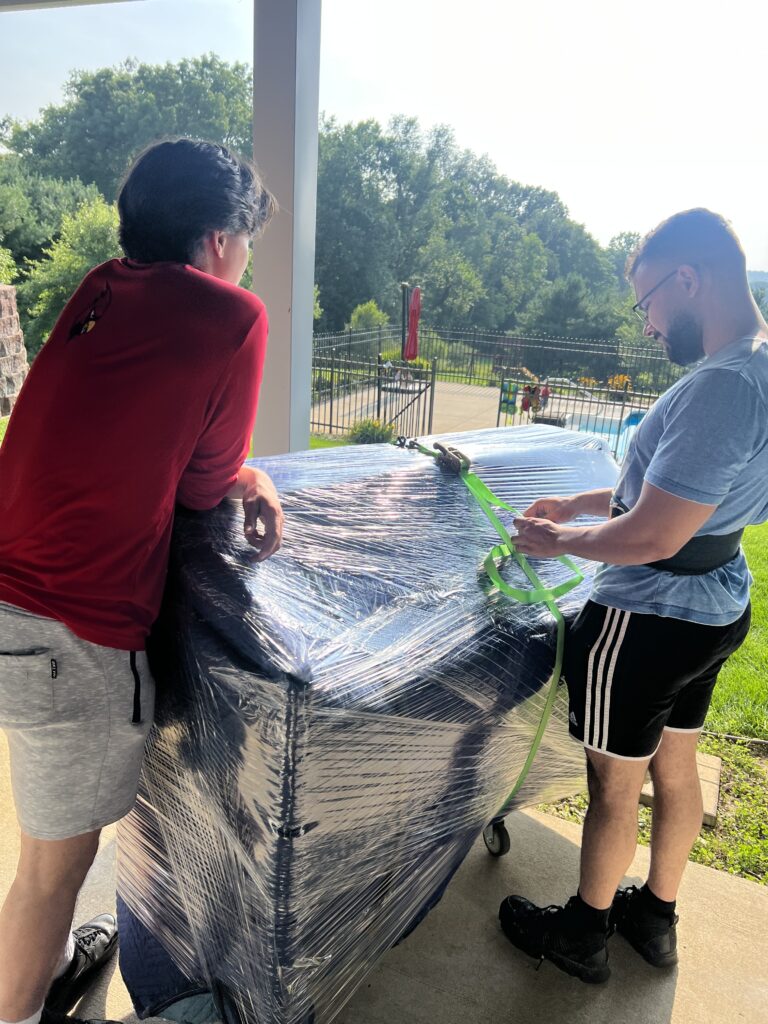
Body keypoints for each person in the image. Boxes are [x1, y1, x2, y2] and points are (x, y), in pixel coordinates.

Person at [0, 139, 284, 1024]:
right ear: (216, 237)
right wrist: (250, 476)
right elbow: (204, 483)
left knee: (47, 848)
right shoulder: (231, 314)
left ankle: (44, 978)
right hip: (72, 629)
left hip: (12, 594)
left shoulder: (98, 285)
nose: (245, 261)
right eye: (244, 241)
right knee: (54, 869)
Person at [498, 209, 768, 983]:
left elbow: (653, 535)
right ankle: (656, 916)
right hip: (716, 608)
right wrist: (578, 508)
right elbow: (672, 493)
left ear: (689, 279)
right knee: (676, 768)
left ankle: (582, 933)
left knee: (614, 786)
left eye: (647, 300)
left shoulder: (721, 387)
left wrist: (558, 544)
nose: (647, 324)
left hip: (648, 619)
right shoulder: (760, 365)